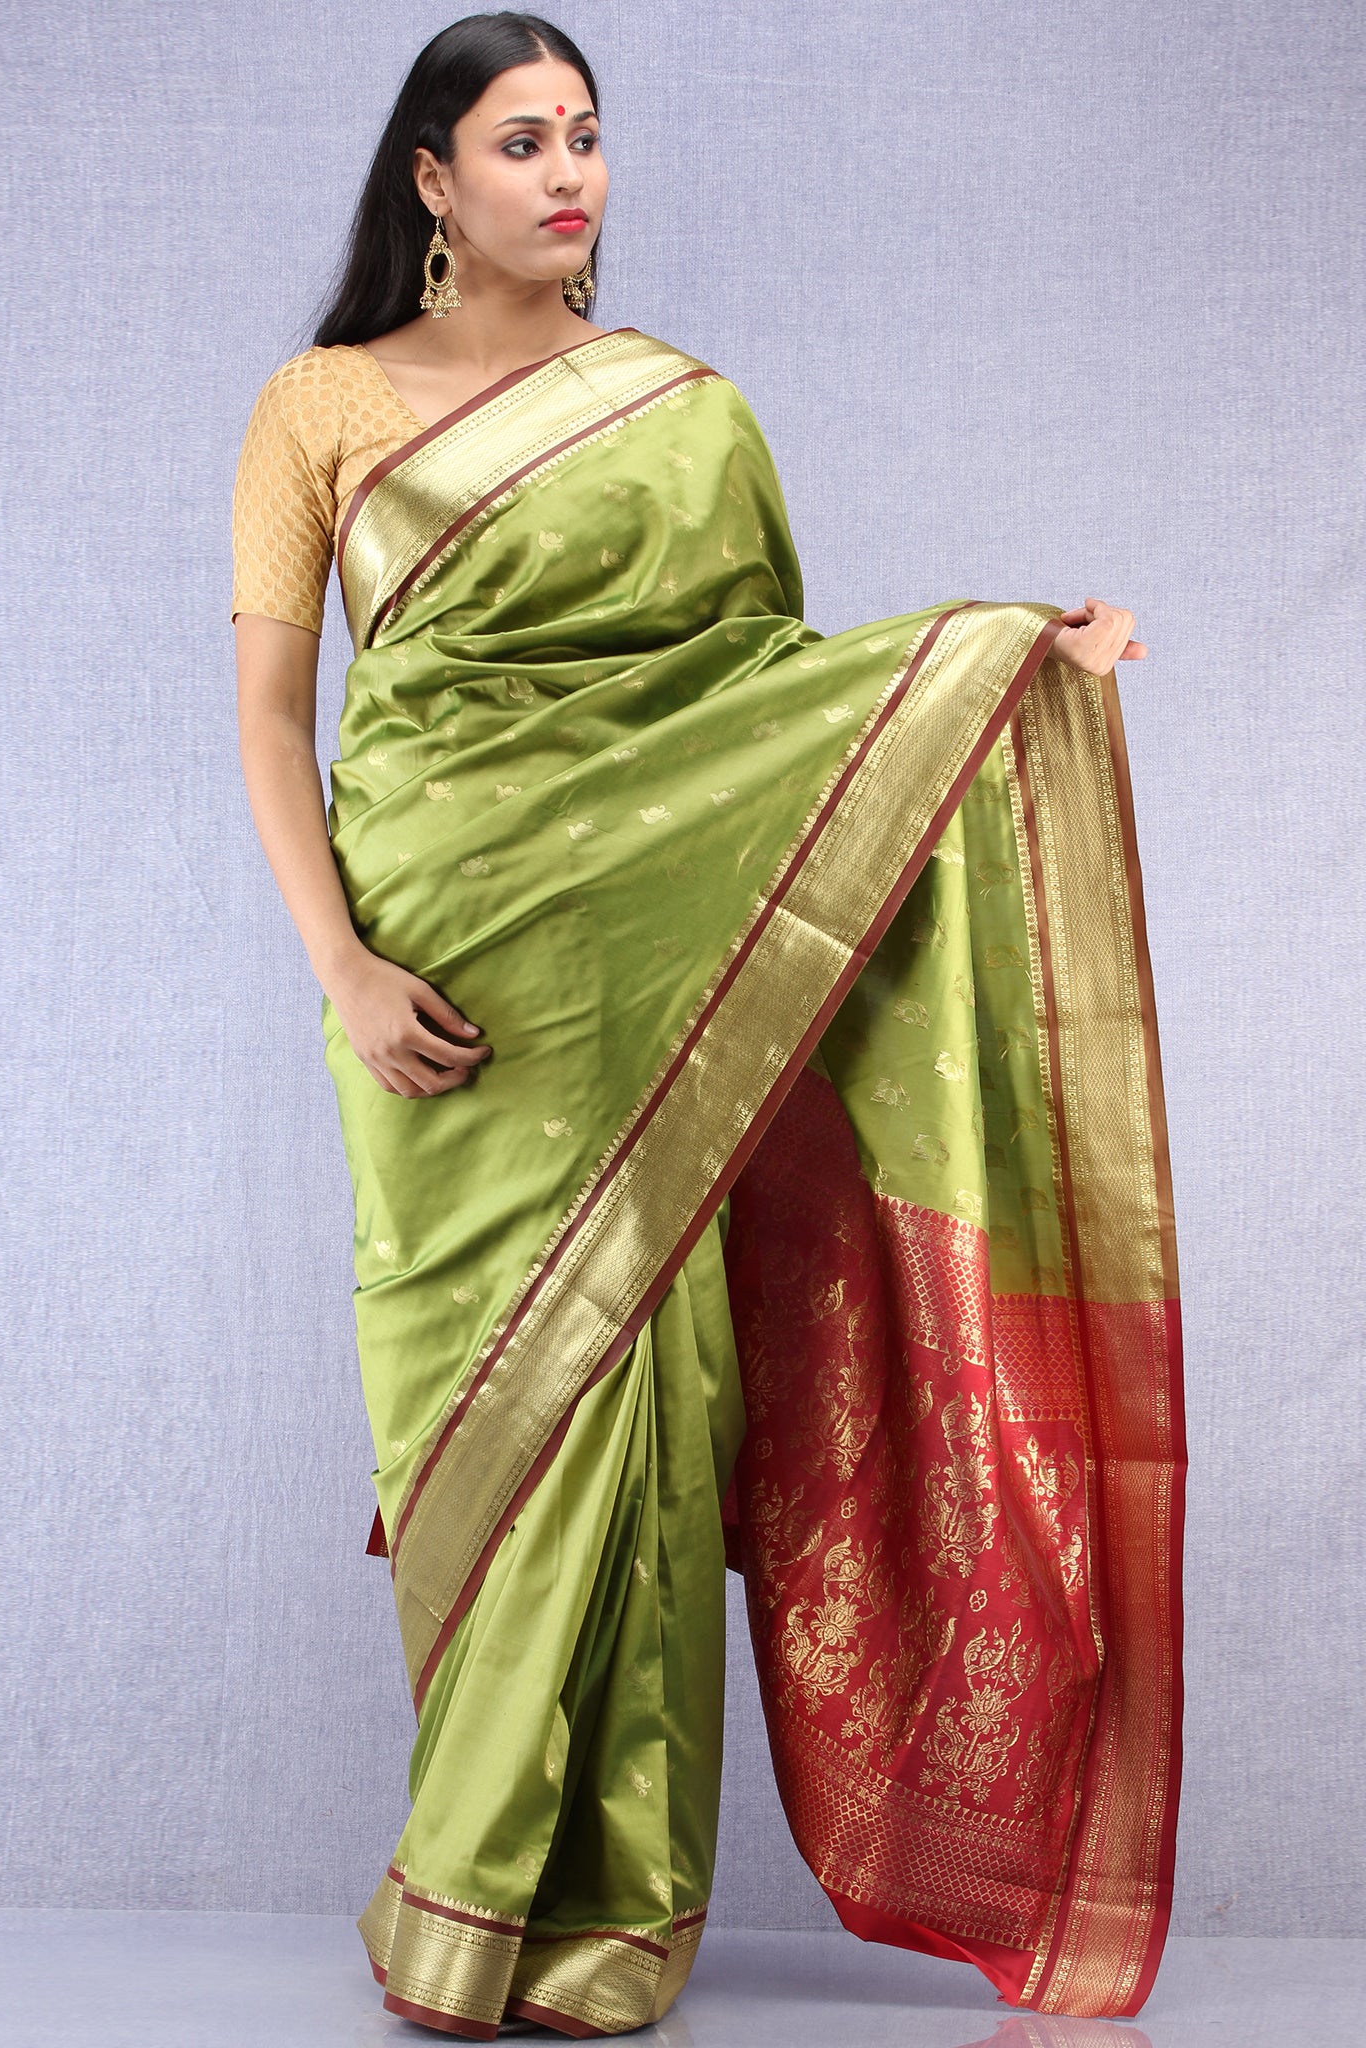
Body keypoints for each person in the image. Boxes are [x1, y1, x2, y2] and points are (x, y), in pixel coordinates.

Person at [230, 13, 1185, 2039]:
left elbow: (754, 714)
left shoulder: (685, 414)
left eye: (586, 136)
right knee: (470, 1398)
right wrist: (341, 965)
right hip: (438, 965)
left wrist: (1004, 656)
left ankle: (595, 1928)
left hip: (643, 969)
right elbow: (266, 723)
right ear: (432, 177)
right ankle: (472, 1885)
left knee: (639, 1401)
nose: (567, 173)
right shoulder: (320, 403)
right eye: (520, 140)